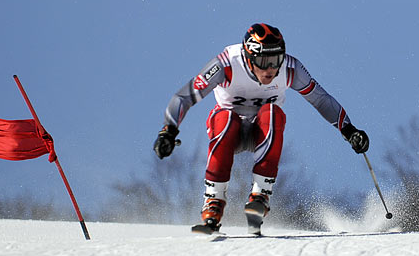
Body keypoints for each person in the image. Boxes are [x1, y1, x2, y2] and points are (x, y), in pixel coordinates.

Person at [153, 23, 369, 234]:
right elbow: (185, 96)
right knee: (226, 118)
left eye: (275, 60)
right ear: (248, 58)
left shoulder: (291, 68)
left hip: (263, 131)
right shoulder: (227, 63)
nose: (270, 69)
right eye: (263, 61)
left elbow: (320, 99)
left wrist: (349, 130)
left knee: (273, 112)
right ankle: (213, 200)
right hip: (230, 131)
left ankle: (260, 195)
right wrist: (169, 131)